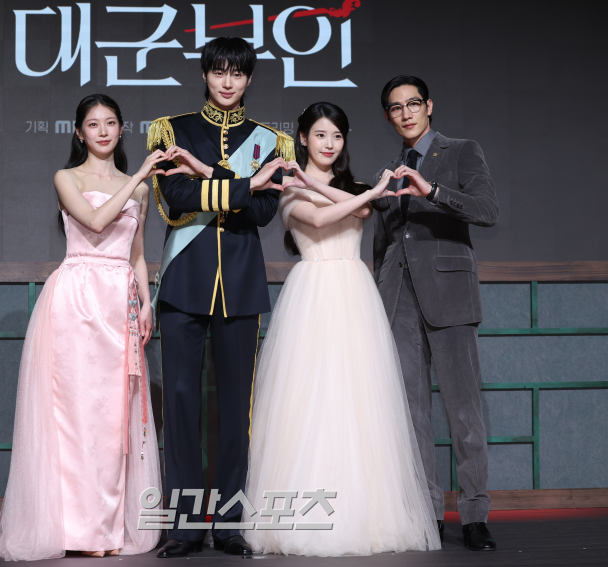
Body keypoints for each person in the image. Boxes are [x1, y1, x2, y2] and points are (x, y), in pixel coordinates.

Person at [243, 102, 441, 556]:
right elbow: (318, 220)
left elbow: (362, 214)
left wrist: (348, 190)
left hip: (355, 295)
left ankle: (366, 515)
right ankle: (305, 513)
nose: (329, 144)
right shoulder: (287, 188)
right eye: (320, 135)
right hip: (312, 296)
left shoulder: (351, 189)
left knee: (360, 404)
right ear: (303, 139)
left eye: (336, 136)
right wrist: (357, 191)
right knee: (310, 403)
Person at [0, 94, 164, 560]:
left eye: (110, 122)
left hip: (119, 303)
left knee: (113, 419)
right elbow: (96, 221)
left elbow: (137, 254)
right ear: (79, 132)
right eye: (93, 124)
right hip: (77, 300)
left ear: (121, 128)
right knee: (76, 416)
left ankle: (104, 530)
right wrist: (139, 178)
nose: (103, 131)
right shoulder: (67, 178)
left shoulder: (139, 190)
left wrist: (147, 302)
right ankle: (76, 531)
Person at [146, 37, 294, 558]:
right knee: (181, 404)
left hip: (240, 284)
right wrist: (247, 184)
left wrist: (219, 182)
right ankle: (185, 526)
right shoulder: (173, 131)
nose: (227, 82)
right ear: (205, 74)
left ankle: (230, 523)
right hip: (185, 281)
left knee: (236, 411)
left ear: (249, 79)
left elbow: (263, 213)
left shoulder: (270, 141)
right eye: (218, 71)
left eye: (237, 73)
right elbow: (177, 199)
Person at [371, 75, 499, 551]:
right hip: (399, 299)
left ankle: (474, 514)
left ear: (428, 106)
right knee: (412, 414)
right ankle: (428, 514)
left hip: (450, 293)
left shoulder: (461, 151)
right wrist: (379, 294)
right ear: (388, 116)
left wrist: (433, 191)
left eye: (412, 104)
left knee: (464, 411)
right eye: (395, 107)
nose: (405, 113)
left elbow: (487, 210)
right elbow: (383, 243)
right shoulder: (389, 170)